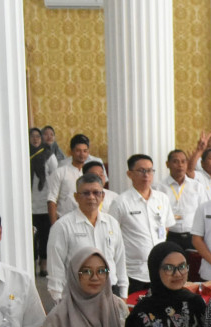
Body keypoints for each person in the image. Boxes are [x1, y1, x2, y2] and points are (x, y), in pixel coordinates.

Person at [46, 174, 128, 303]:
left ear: (103, 196)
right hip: (78, 294)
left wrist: (123, 293)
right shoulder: (62, 226)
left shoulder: (112, 223)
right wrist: (59, 300)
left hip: (111, 292)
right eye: (85, 193)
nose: (91, 197)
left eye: (96, 193)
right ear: (76, 197)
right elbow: (55, 267)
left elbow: (120, 260)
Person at [109, 154, 176, 295]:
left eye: (150, 170)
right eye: (141, 171)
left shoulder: (162, 198)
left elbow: (166, 227)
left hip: (160, 270)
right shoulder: (120, 202)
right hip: (133, 273)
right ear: (129, 174)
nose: (146, 175)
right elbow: (111, 236)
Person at [160, 149, 211, 253]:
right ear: (167, 164)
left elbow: (205, 212)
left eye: (183, 161)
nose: (180, 165)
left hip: (192, 236)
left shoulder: (197, 186)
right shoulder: (159, 188)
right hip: (169, 236)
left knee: (193, 267)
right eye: (175, 161)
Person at [29, 128, 58, 276]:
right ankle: (32, 263)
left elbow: (55, 179)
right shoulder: (23, 153)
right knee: (30, 237)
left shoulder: (48, 156)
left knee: (45, 236)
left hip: (44, 203)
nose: (35, 139)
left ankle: (44, 264)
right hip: (28, 204)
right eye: (32, 136)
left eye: (37, 136)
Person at [47, 134, 95, 223]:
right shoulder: (60, 172)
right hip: (64, 220)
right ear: (71, 151)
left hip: (87, 220)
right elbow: (52, 200)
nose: (82, 154)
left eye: (85, 151)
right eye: (78, 151)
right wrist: (54, 225)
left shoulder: (91, 174)